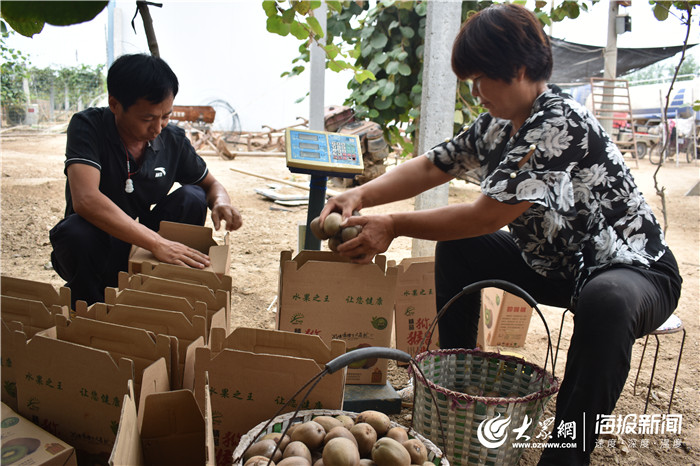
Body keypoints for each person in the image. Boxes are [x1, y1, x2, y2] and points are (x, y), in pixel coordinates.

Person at [319, 4, 682, 465]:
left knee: (605, 300)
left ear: (520, 68)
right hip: (562, 269)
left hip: (635, 273)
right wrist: (361, 198)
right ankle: (456, 381)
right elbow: (434, 164)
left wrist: (393, 225)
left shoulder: (557, 123)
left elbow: (485, 216)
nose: (475, 92)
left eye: (480, 79)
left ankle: (566, 456)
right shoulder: (496, 124)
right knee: (461, 249)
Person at [50, 53, 242, 308]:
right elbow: (86, 200)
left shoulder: (171, 139)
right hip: (100, 247)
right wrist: (157, 243)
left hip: (144, 247)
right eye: (147, 118)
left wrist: (220, 202)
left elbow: (210, 185)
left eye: (165, 116)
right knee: (76, 230)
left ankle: (162, 290)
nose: (158, 128)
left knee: (193, 196)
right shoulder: (89, 126)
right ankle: (89, 306)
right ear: (115, 104)